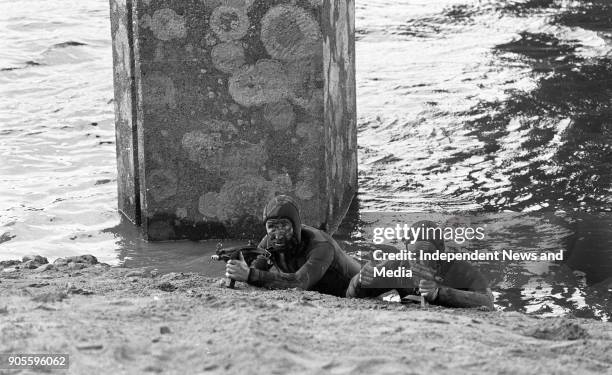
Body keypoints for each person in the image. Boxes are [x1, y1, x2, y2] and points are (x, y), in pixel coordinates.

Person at [225, 195, 494, 310]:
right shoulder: (398, 265)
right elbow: (357, 294)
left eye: (428, 254)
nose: (421, 260)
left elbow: (487, 300)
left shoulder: (458, 269)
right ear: (405, 252)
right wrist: (363, 281)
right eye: (415, 254)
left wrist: (440, 293)